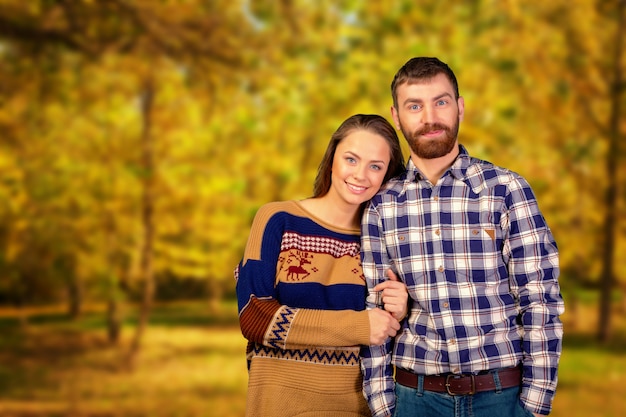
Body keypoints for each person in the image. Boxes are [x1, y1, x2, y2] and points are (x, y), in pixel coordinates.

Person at [360, 57, 565, 417]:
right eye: (414, 106)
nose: (430, 118)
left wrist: (533, 407)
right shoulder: (380, 205)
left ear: (460, 107)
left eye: (441, 102)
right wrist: (383, 407)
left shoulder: (506, 190)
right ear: (396, 115)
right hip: (415, 399)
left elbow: (540, 302)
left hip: (501, 398)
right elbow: (373, 312)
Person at [235, 114, 408, 417]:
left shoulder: (385, 241)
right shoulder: (278, 219)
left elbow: (390, 335)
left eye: (375, 167)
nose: (361, 175)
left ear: (387, 176)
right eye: (351, 159)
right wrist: (358, 326)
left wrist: (402, 311)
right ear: (332, 160)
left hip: (357, 406)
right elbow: (254, 316)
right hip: (277, 405)